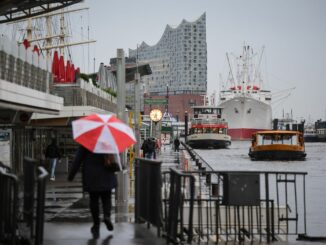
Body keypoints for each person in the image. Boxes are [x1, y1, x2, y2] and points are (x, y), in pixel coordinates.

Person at [68, 146, 118, 239]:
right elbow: (115, 158)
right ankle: (107, 216)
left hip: (92, 176)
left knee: (94, 200)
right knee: (107, 198)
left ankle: (96, 225)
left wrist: (71, 175)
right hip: (107, 174)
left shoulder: (86, 142)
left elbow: (78, 160)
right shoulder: (107, 141)